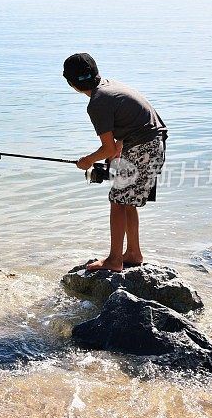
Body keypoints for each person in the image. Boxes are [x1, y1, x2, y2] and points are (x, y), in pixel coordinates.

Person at [63, 53, 167, 272]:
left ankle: (114, 260)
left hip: (143, 148)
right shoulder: (110, 86)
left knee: (118, 201)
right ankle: (133, 253)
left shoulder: (97, 103)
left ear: (71, 83)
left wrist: (87, 161)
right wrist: (114, 156)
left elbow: (108, 148)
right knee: (125, 200)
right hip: (152, 145)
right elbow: (128, 126)